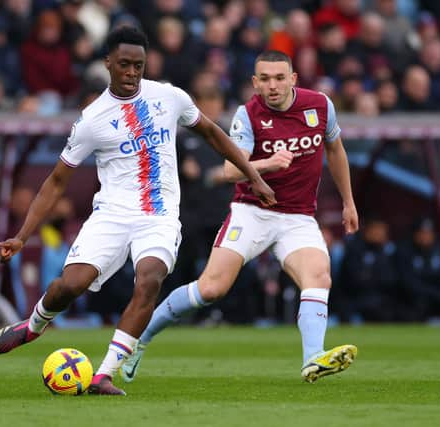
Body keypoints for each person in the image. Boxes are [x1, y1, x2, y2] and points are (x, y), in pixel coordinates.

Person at [0, 26, 275, 395]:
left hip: (159, 216)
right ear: (108, 63)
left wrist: (253, 175)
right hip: (111, 214)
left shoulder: (169, 97)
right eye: (124, 64)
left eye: (138, 65)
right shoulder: (92, 119)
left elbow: (213, 133)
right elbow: (57, 180)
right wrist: (23, 235)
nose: (131, 72)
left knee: (150, 279)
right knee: (69, 285)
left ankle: (103, 374)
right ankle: (33, 326)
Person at [121, 50, 359, 384]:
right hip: (253, 213)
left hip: (297, 217)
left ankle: (312, 359)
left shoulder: (320, 105)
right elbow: (231, 169)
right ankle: (141, 338)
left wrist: (348, 201)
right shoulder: (247, 115)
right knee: (211, 288)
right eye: (265, 79)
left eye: (279, 78)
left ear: (293, 79)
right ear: (255, 82)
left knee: (318, 277)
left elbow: (335, 149)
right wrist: (267, 164)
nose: (272, 86)